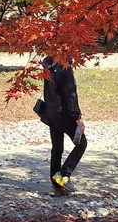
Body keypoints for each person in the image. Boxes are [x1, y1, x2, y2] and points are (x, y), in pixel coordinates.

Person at [40, 54, 87, 195]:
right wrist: (77, 117)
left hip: (51, 113)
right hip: (64, 115)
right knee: (82, 144)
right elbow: (70, 95)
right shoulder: (64, 68)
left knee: (57, 147)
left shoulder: (48, 64)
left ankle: (55, 181)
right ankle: (64, 174)